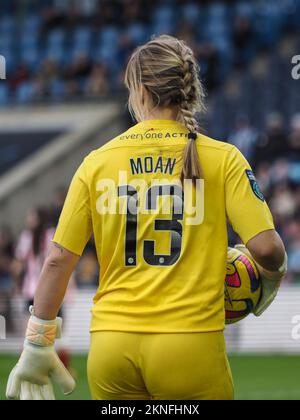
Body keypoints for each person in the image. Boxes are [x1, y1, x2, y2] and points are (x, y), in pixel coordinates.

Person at [6, 35, 287, 401]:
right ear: (187, 89)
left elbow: (58, 259)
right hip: (188, 343)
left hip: (111, 347)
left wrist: (37, 343)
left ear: (139, 90)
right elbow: (267, 248)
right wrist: (266, 282)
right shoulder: (223, 158)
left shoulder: (98, 162)